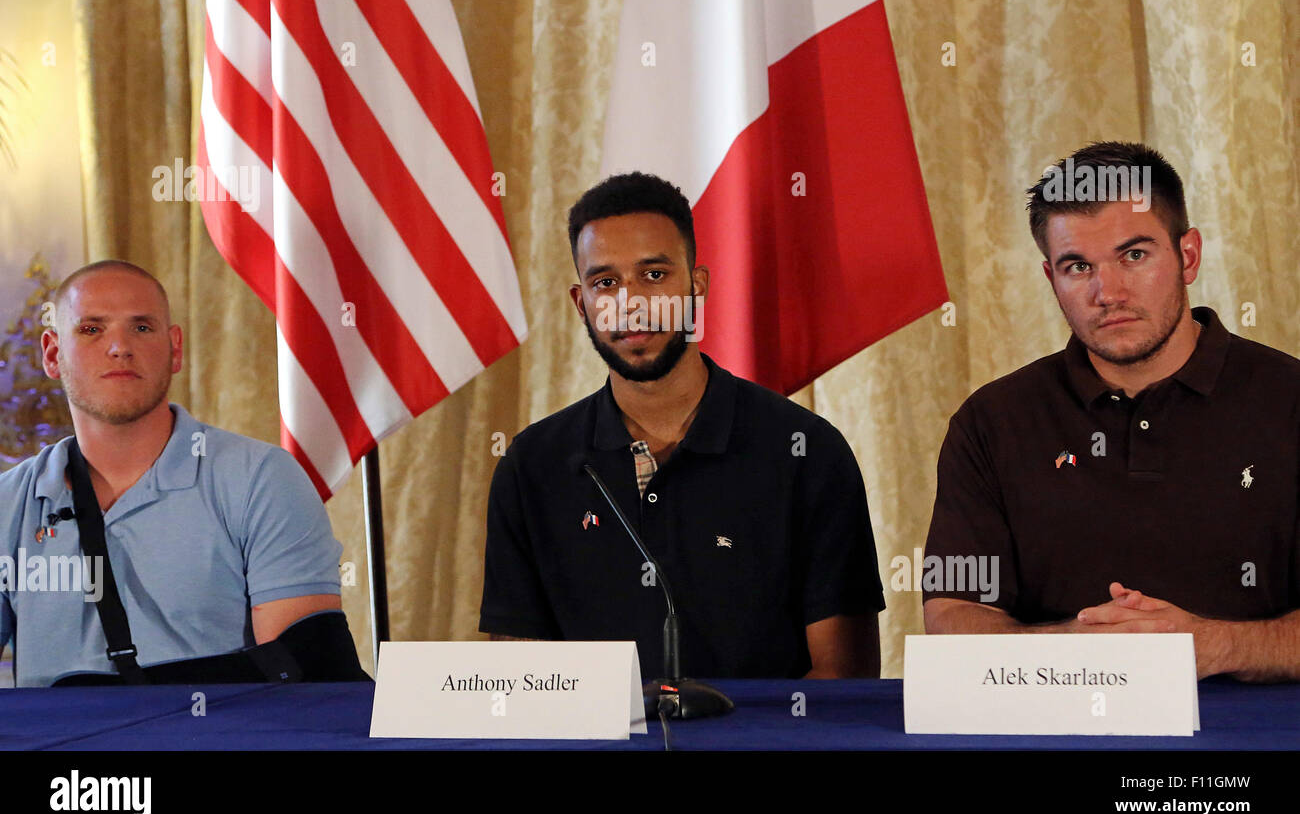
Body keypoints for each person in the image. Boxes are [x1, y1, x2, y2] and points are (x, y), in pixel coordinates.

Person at [478, 172, 884, 678]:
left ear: (697, 285)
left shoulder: (808, 451)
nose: (631, 303)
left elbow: (842, 685)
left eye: (653, 276)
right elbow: (522, 689)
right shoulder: (530, 467)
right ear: (582, 304)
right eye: (606, 282)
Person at [923, 141, 1300, 681]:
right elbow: (952, 616)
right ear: (1052, 279)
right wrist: (1073, 649)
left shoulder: (1288, 400)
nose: (1109, 292)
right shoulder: (991, 421)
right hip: (1058, 733)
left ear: (1188, 256)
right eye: (1079, 266)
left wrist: (1215, 646)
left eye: (1134, 255)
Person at [0, 260, 362, 686]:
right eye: (92, 329)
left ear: (175, 349)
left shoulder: (261, 479)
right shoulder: (10, 500)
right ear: (53, 354)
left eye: (141, 327)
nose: (119, 347)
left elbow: (303, 678)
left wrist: (106, 700)